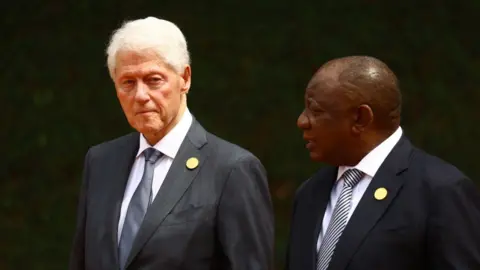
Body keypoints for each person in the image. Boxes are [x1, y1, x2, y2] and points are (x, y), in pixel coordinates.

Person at [69, 16, 274, 270]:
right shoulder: (101, 161)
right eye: (128, 83)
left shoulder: (232, 170)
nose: (140, 95)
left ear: (184, 79)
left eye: (154, 80)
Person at [286, 55, 480, 270]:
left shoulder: (440, 191)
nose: (302, 121)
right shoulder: (309, 194)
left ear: (360, 118)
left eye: (316, 111)